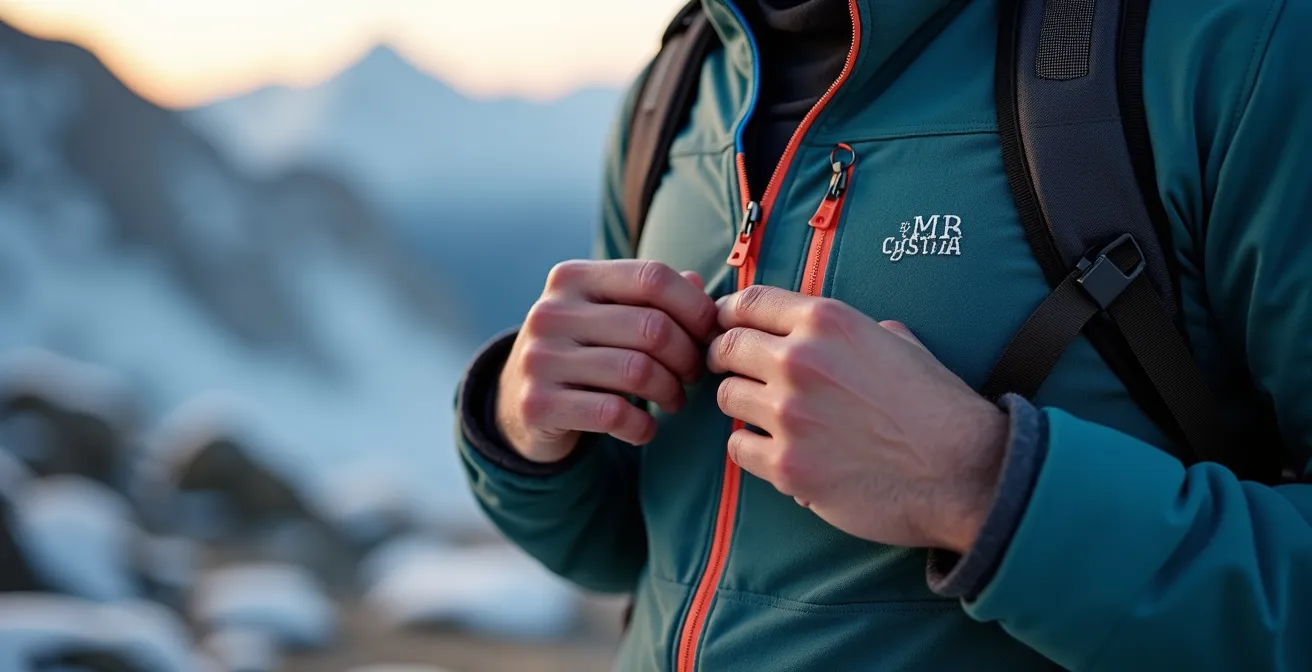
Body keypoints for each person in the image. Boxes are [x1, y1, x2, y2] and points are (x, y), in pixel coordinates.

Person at [454, 0, 1312, 669]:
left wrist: (979, 484)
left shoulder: (1231, 48)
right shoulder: (679, 85)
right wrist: (529, 431)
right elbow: (634, 548)